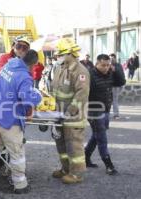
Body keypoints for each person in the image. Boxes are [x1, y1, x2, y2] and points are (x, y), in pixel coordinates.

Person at [0, 50, 42, 194]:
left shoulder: (8, 66)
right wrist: (38, 97)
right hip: (10, 120)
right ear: (34, 64)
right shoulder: (25, 77)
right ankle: (20, 185)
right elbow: (26, 98)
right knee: (16, 153)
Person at [51, 38, 90, 184]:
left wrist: (69, 111)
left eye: (61, 54)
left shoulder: (81, 71)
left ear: (70, 53)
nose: (58, 56)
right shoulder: (61, 68)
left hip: (73, 116)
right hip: (59, 114)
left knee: (74, 145)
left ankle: (76, 174)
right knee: (61, 144)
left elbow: (82, 94)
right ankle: (65, 169)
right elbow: (56, 90)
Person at [85, 54, 125, 175]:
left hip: (106, 109)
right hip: (93, 111)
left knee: (97, 135)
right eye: (103, 65)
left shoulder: (110, 73)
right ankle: (109, 165)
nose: (105, 67)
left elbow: (121, 81)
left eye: (108, 65)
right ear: (97, 64)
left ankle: (85, 157)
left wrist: (116, 69)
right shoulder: (90, 75)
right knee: (101, 137)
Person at [110, 53, 125, 119]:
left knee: (114, 100)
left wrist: (114, 70)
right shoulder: (109, 66)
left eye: (112, 59)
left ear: (115, 58)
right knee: (113, 99)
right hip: (113, 85)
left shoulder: (118, 65)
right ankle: (112, 113)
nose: (111, 60)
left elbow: (121, 74)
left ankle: (116, 114)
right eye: (110, 59)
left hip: (116, 85)